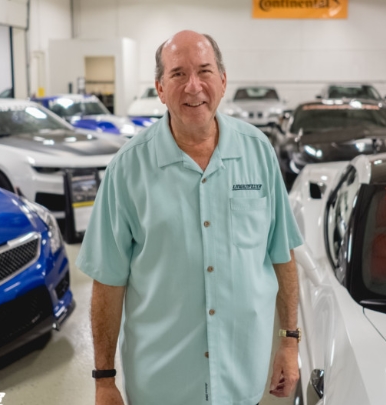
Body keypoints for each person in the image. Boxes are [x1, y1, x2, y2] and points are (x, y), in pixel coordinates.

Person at [76, 30, 303, 405]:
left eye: (204, 71)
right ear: (160, 88)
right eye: (178, 74)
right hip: (162, 384)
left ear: (223, 80)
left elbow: (282, 254)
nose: (193, 86)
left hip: (242, 375)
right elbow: (108, 282)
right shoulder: (128, 169)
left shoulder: (258, 153)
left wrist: (289, 343)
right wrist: (104, 379)